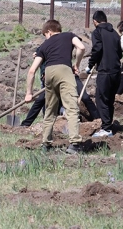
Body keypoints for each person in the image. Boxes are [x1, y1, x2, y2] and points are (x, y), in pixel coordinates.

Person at [24, 19, 85, 154]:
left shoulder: (44, 46)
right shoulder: (69, 35)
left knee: (50, 110)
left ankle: (46, 144)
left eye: (45, 35)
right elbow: (81, 47)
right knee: (71, 108)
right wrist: (77, 65)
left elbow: (32, 70)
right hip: (65, 71)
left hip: (49, 73)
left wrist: (29, 93)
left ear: (49, 32)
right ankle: (75, 143)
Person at [86, 10, 122, 137]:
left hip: (105, 71)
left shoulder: (97, 32)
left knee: (101, 99)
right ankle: (109, 126)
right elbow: (120, 53)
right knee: (109, 100)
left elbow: (97, 49)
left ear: (95, 21)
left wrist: (90, 65)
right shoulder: (115, 34)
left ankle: (106, 129)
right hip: (117, 71)